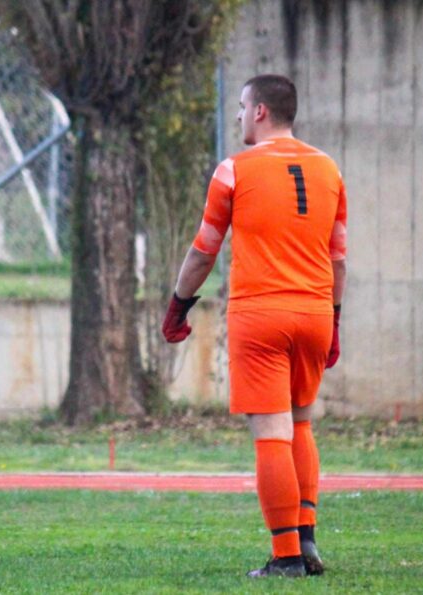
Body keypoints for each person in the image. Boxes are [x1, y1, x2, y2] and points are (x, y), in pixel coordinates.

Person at [162, 74, 348, 578]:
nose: (240, 115)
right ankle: (306, 540)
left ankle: (286, 556)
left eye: (243, 107)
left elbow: (204, 251)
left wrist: (178, 306)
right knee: (301, 423)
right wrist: (333, 320)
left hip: (260, 314)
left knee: (271, 434)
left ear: (261, 111)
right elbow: (338, 259)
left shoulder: (233, 170)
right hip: (314, 312)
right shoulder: (329, 169)